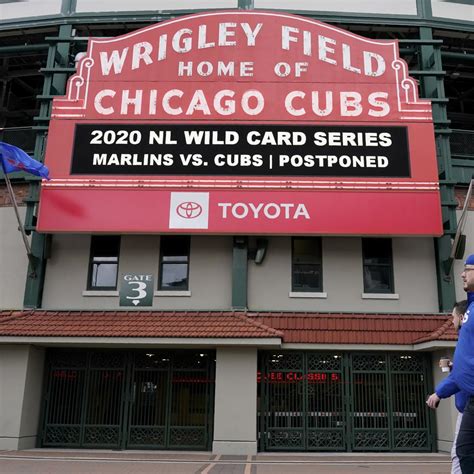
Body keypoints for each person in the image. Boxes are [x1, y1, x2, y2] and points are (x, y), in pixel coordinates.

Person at [426, 299, 468, 474]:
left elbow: (462, 375)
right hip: (466, 408)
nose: (452, 321)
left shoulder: (468, 339)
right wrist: (454, 367)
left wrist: (438, 393)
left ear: (461, 317)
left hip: (469, 409)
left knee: (459, 453)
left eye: (453, 317)